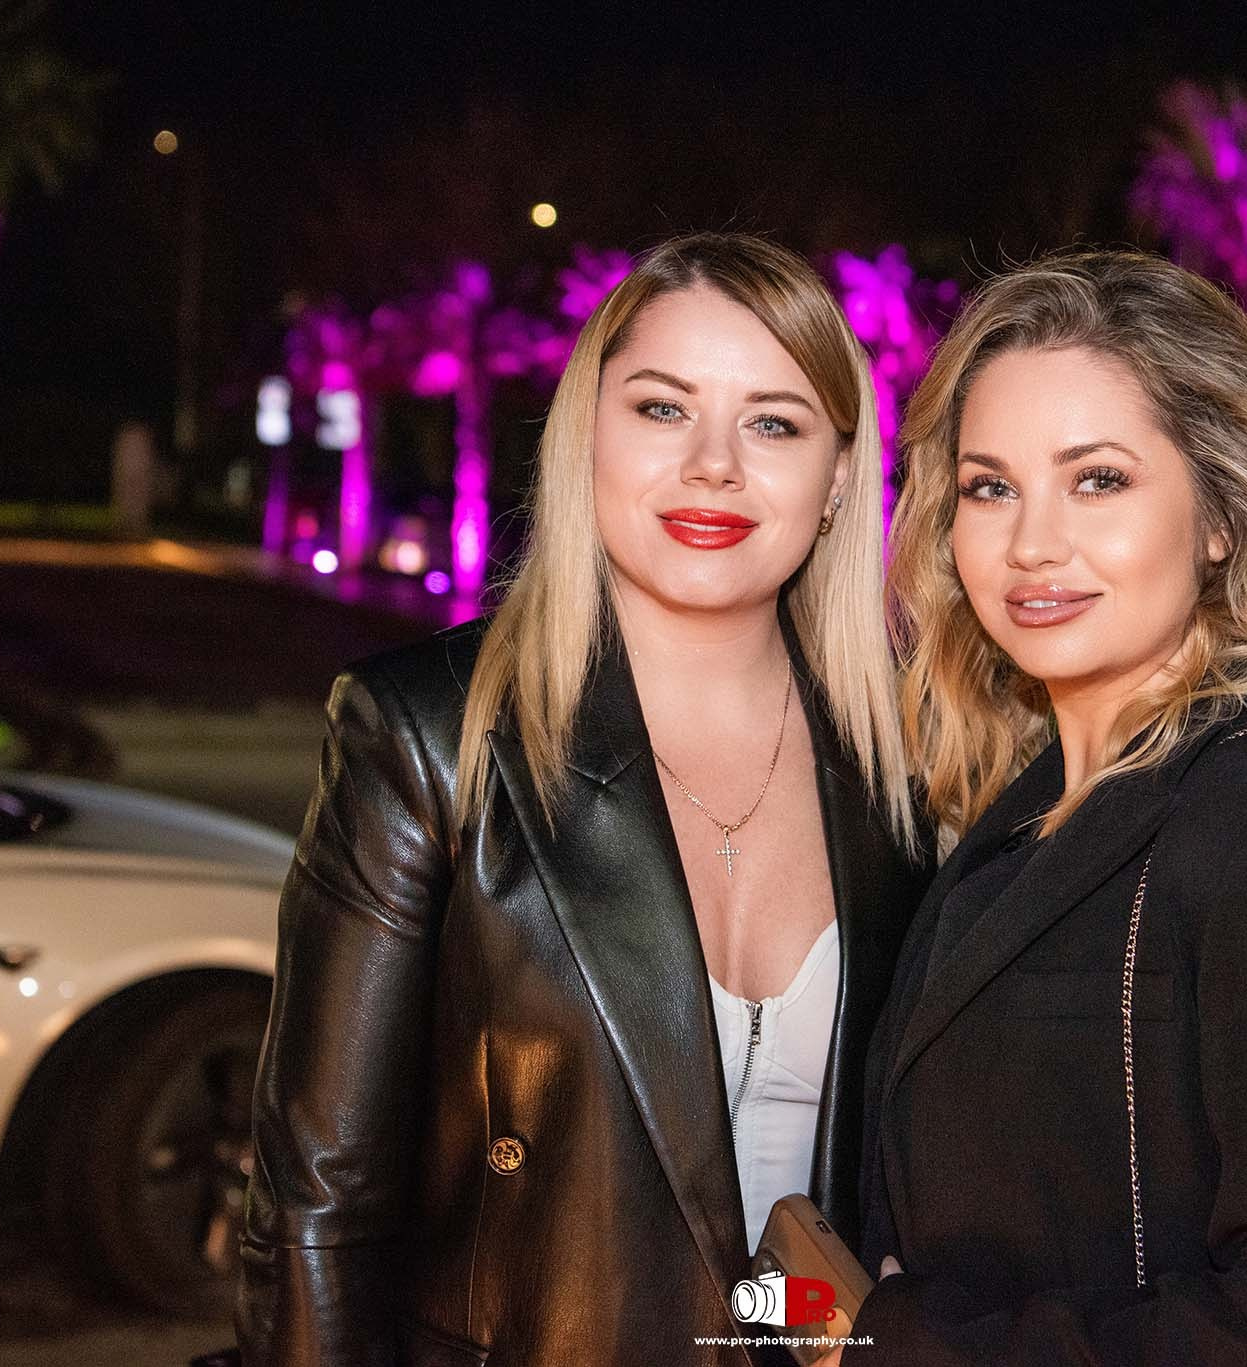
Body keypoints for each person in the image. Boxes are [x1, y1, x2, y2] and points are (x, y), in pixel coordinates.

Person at [235, 233, 931, 1367]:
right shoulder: (429, 734)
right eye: (662, 409)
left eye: (773, 423)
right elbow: (319, 1206)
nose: (713, 465)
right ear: (586, 435)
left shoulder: (910, 766)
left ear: (841, 474)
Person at [833, 251, 1247, 1366]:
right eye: (989, 486)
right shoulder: (1013, 817)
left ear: (1219, 514)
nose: (1031, 543)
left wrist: (910, 1345)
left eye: (1097, 479)